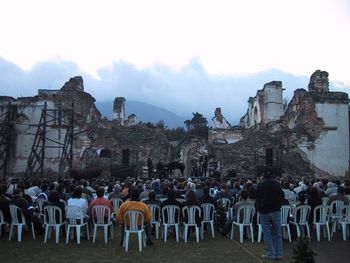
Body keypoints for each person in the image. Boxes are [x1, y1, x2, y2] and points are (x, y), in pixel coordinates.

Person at [255, 171, 284, 260]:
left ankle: (271, 253)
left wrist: (260, 207)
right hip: (275, 210)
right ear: (272, 177)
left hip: (264, 211)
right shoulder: (277, 184)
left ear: (264, 177)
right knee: (278, 234)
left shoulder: (260, 185)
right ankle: (279, 254)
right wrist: (278, 205)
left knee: (267, 234)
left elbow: (257, 197)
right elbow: (282, 196)